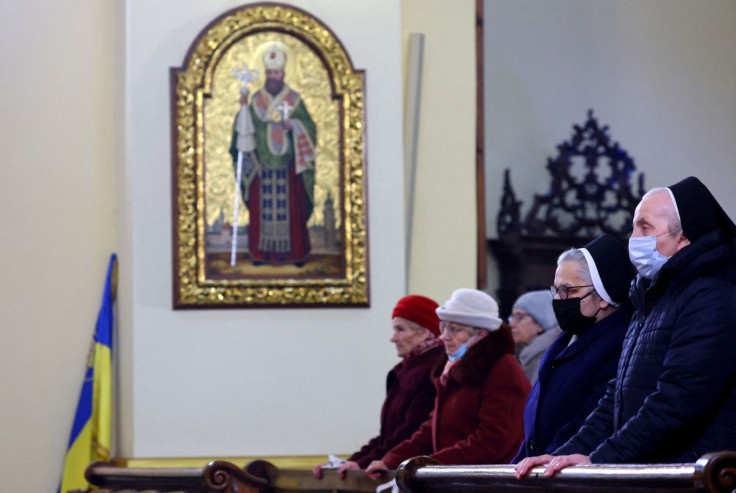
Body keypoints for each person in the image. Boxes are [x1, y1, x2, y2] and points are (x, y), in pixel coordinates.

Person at [516, 176, 736, 478]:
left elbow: (679, 399)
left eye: (645, 227)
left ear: (683, 237)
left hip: (694, 473)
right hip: (651, 469)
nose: (633, 238)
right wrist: (561, 456)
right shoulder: (652, 297)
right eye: (633, 227)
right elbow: (616, 397)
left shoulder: (710, 295)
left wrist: (603, 459)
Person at [365, 289, 530, 478]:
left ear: (480, 334)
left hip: (489, 482)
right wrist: (391, 460)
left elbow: (493, 439)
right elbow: (432, 427)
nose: (444, 336)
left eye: (454, 329)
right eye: (444, 327)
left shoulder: (502, 368)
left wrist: (434, 466)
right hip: (456, 480)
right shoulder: (455, 369)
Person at [513, 234, 635, 462]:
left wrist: (550, 459)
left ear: (603, 296)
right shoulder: (566, 340)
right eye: (557, 290)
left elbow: (590, 419)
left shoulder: (617, 344)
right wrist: (517, 465)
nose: (559, 299)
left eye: (569, 291)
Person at [312, 295, 444, 480]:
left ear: (424, 332)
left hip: (414, 475)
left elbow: (411, 431)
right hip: (397, 469)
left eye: (400, 329)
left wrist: (365, 462)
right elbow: (387, 436)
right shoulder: (406, 369)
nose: (393, 338)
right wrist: (353, 462)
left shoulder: (433, 370)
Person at [230, 43, 317, 266]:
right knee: (261, 209)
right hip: (262, 165)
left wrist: (295, 125)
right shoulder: (255, 100)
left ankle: (295, 254)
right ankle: (261, 255)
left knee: (292, 210)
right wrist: (242, 109)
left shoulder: (294, 100)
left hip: (289, 167)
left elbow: (310, 127)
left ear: (283, 73)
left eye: (275, 72)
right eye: (269, 72)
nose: (272, 76)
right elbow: (245, 129)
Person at [509, 290, 561, 383]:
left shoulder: (548, 362)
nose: (511, 324)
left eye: (519, 317)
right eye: (512, 317)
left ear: (540, 325)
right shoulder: (525, 356)